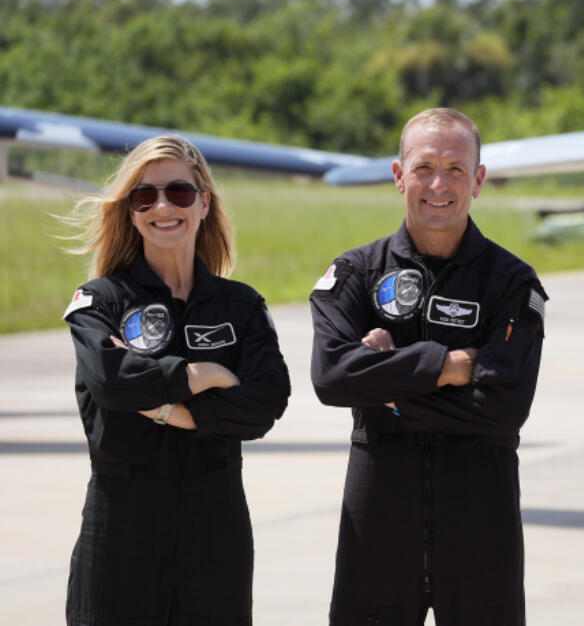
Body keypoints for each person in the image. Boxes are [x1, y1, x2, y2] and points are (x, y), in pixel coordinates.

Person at [310, 108, 546, 626]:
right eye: (423, 168)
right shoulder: (355, 273)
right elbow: (330, 377)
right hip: (376, 523)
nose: (438, 184)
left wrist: (388, 383)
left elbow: (504, 407)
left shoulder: (512, 283)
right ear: (399, 176)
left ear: (478, 181)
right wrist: (448, 365)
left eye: (456, 169)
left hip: (481, 526)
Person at [61, 134, 291, 625]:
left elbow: (264, 404)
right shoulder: (100, 301)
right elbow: (111, 381)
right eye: (145, 196)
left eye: (179, 192)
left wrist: (165, 408)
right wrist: (202, 374)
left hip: (216, 528)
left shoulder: (241, 306)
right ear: (130, 211)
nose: (163, 206)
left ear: (204, 203)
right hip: (120, 527)